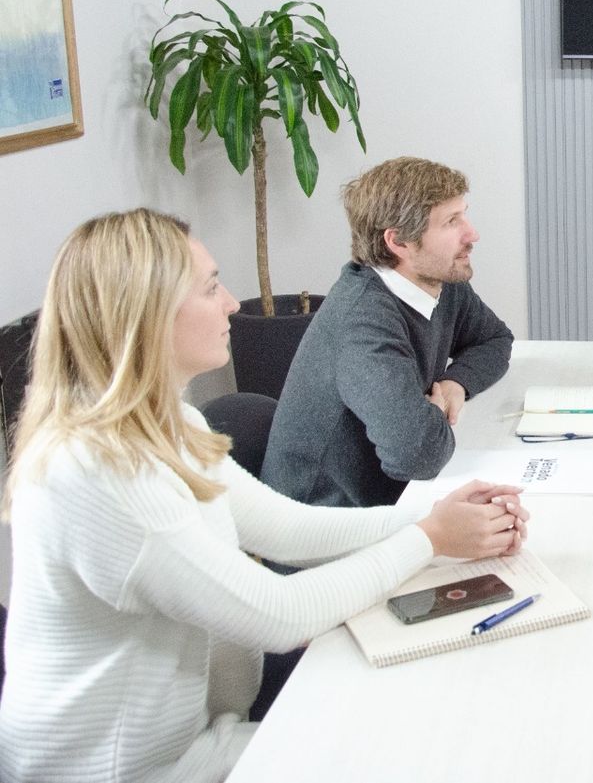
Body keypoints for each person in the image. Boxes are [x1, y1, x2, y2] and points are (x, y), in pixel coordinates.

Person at [0, 209, 529, 783]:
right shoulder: (103, 476)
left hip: (197, 733)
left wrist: (436, 519)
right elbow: (281, 616)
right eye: (209, 288)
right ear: (145, 317)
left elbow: (288, 530)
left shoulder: (163, 421)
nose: (232, 303)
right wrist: (427, 539)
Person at [261, 157, 514, 508]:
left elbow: (495, 340)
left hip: (393, 500)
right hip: (329, 528)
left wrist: (455, 384)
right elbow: (418, 455)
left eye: (464, 214)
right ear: (399, 243)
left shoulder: (437, 278)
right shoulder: (363, 322)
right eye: (452, 222)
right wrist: (431, 417)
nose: (472, 234)